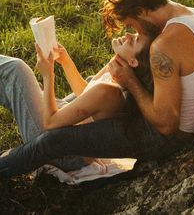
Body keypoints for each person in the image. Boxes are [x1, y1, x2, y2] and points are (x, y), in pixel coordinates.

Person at [0, 0, 194, 177]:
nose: (132, 32)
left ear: (143, 11)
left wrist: (129, 80)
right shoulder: (193, 15)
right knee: (20, 76)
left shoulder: (165, 45)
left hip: (165, 138)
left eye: (131, 25)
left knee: (46, 132)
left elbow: (166, 126)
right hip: (161, 121)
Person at [0, 31, 153, 176]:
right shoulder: (115, 68)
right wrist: (66, 61)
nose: (128, 35)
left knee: (16, 70)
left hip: (61, 151)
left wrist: (48, 75)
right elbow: (85, 92)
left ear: (133, 62)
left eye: (135, 40)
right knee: (12, 83)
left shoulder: (109, 93)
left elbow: (50, 122)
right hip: (61, 129)